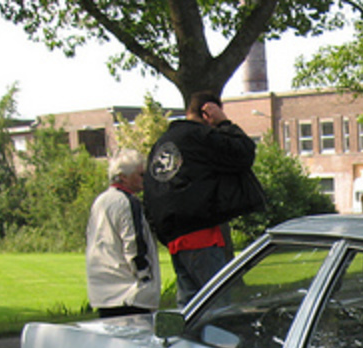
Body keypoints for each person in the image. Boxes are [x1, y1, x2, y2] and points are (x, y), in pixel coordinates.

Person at [144, 91, 266, 307]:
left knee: (191, 309)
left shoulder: (161, 144)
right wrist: (224, 122)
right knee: (218, 305)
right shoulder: (199, 137)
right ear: (207, 112)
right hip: (202, 235)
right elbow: (243, 152)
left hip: (175, 238)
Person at [86, 149, 161, 317]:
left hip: (103, 292)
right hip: (128, 293)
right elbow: (134, 246)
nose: (144, 179)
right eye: (140, 175)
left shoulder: (101, 201)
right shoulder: (128, 202)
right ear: (123, 176)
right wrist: (145, 278)